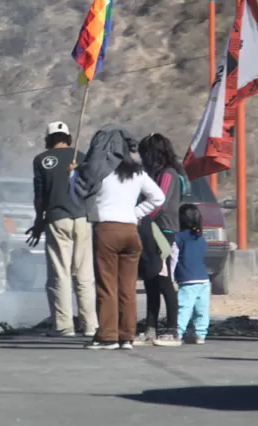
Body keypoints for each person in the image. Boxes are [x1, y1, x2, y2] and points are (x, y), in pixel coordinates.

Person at [71, 126, 165, 350]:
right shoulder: (137, 172)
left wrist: (73, 174)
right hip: (131, 232)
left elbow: (76, 195)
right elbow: (158, 197)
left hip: (106, 230)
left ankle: (107, 336)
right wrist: (136, 213)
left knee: (107, 285)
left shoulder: (99, 172)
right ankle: (127, 336)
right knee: (127, 287)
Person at [27, 121, 97, 338]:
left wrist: (39, 222)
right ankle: (90, 326)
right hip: (82, 218)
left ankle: (63, 325)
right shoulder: (82, 156)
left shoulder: (41, 160)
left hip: (57, 219)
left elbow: (40, 198)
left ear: (49, 139)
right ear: (67, 137)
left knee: (60, 273)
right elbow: (93, 187)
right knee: (84, 274)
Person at [138, 133, 186, 346]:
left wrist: (139, 215)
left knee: (164, 279)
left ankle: (173, 330)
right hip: (153, 229)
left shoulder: (168, 174)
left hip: (164, 231)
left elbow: (160, 204)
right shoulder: (155, 174)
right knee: (151, 280)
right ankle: (151, 329)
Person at [162, 203, 210, 346]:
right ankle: (200, 334)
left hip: (187, 279)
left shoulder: (178, 237)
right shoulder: (200, 237)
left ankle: (177, 333)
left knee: (183, 307)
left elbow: (174, 258)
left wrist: (170, 276)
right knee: (201, 309)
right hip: (204, 279)